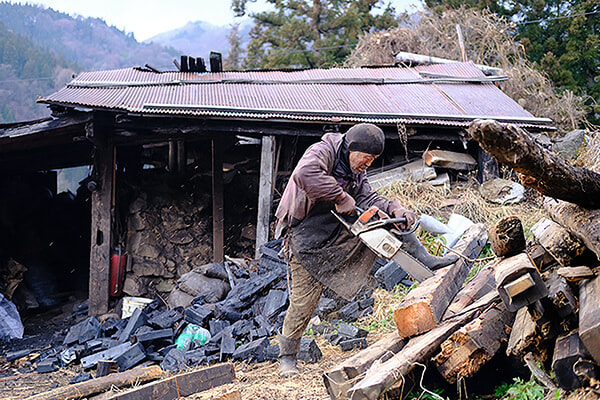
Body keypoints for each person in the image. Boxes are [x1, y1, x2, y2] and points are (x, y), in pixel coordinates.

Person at [274, 123, 458, 377]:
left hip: (334, 232)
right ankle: (287, 356)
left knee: (389, 221)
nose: (368, 164)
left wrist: (395, 208)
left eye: (373, 160)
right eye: (367, 158)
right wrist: (340, 197)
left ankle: (424, 258)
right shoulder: (323, 151)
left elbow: (367, 197)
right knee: (305, 301)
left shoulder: (356, 170)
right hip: (305, 237)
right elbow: (304, 175)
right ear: (352, 149)